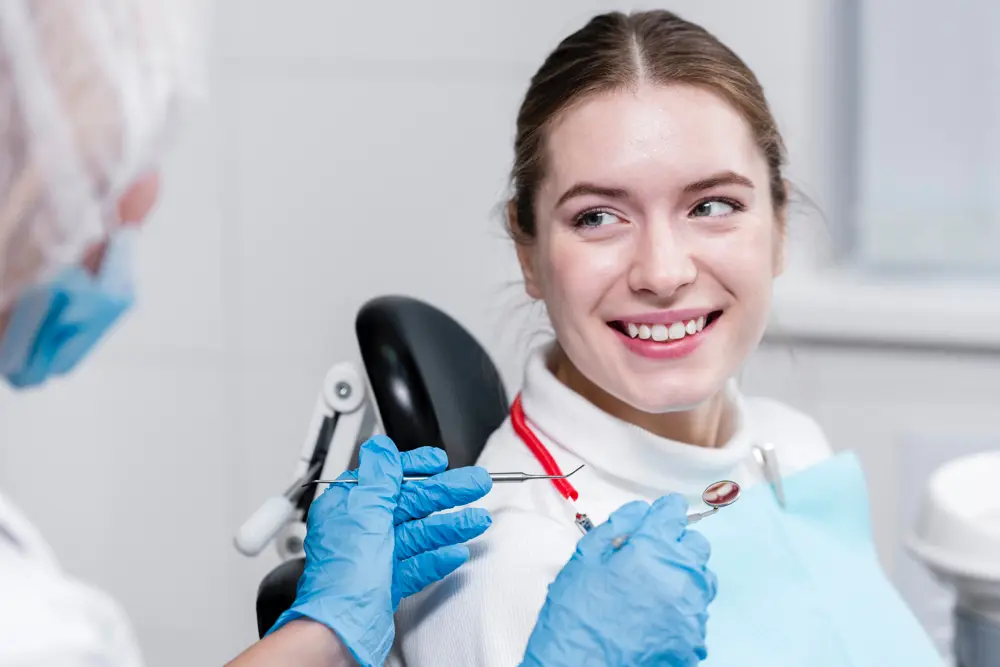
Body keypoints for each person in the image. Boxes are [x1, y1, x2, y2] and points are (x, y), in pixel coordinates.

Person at [0, 2, 718, 666]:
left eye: (714, 205)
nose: (663, 269)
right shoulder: (35, 627)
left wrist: (323, 629)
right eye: (101, 169)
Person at [389, 9, 837, 666]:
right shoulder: (506, 563)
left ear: (779, 225)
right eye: (598, 216)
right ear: (528, 253)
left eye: (712, 205)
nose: (662, 272)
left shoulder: (793, 448)